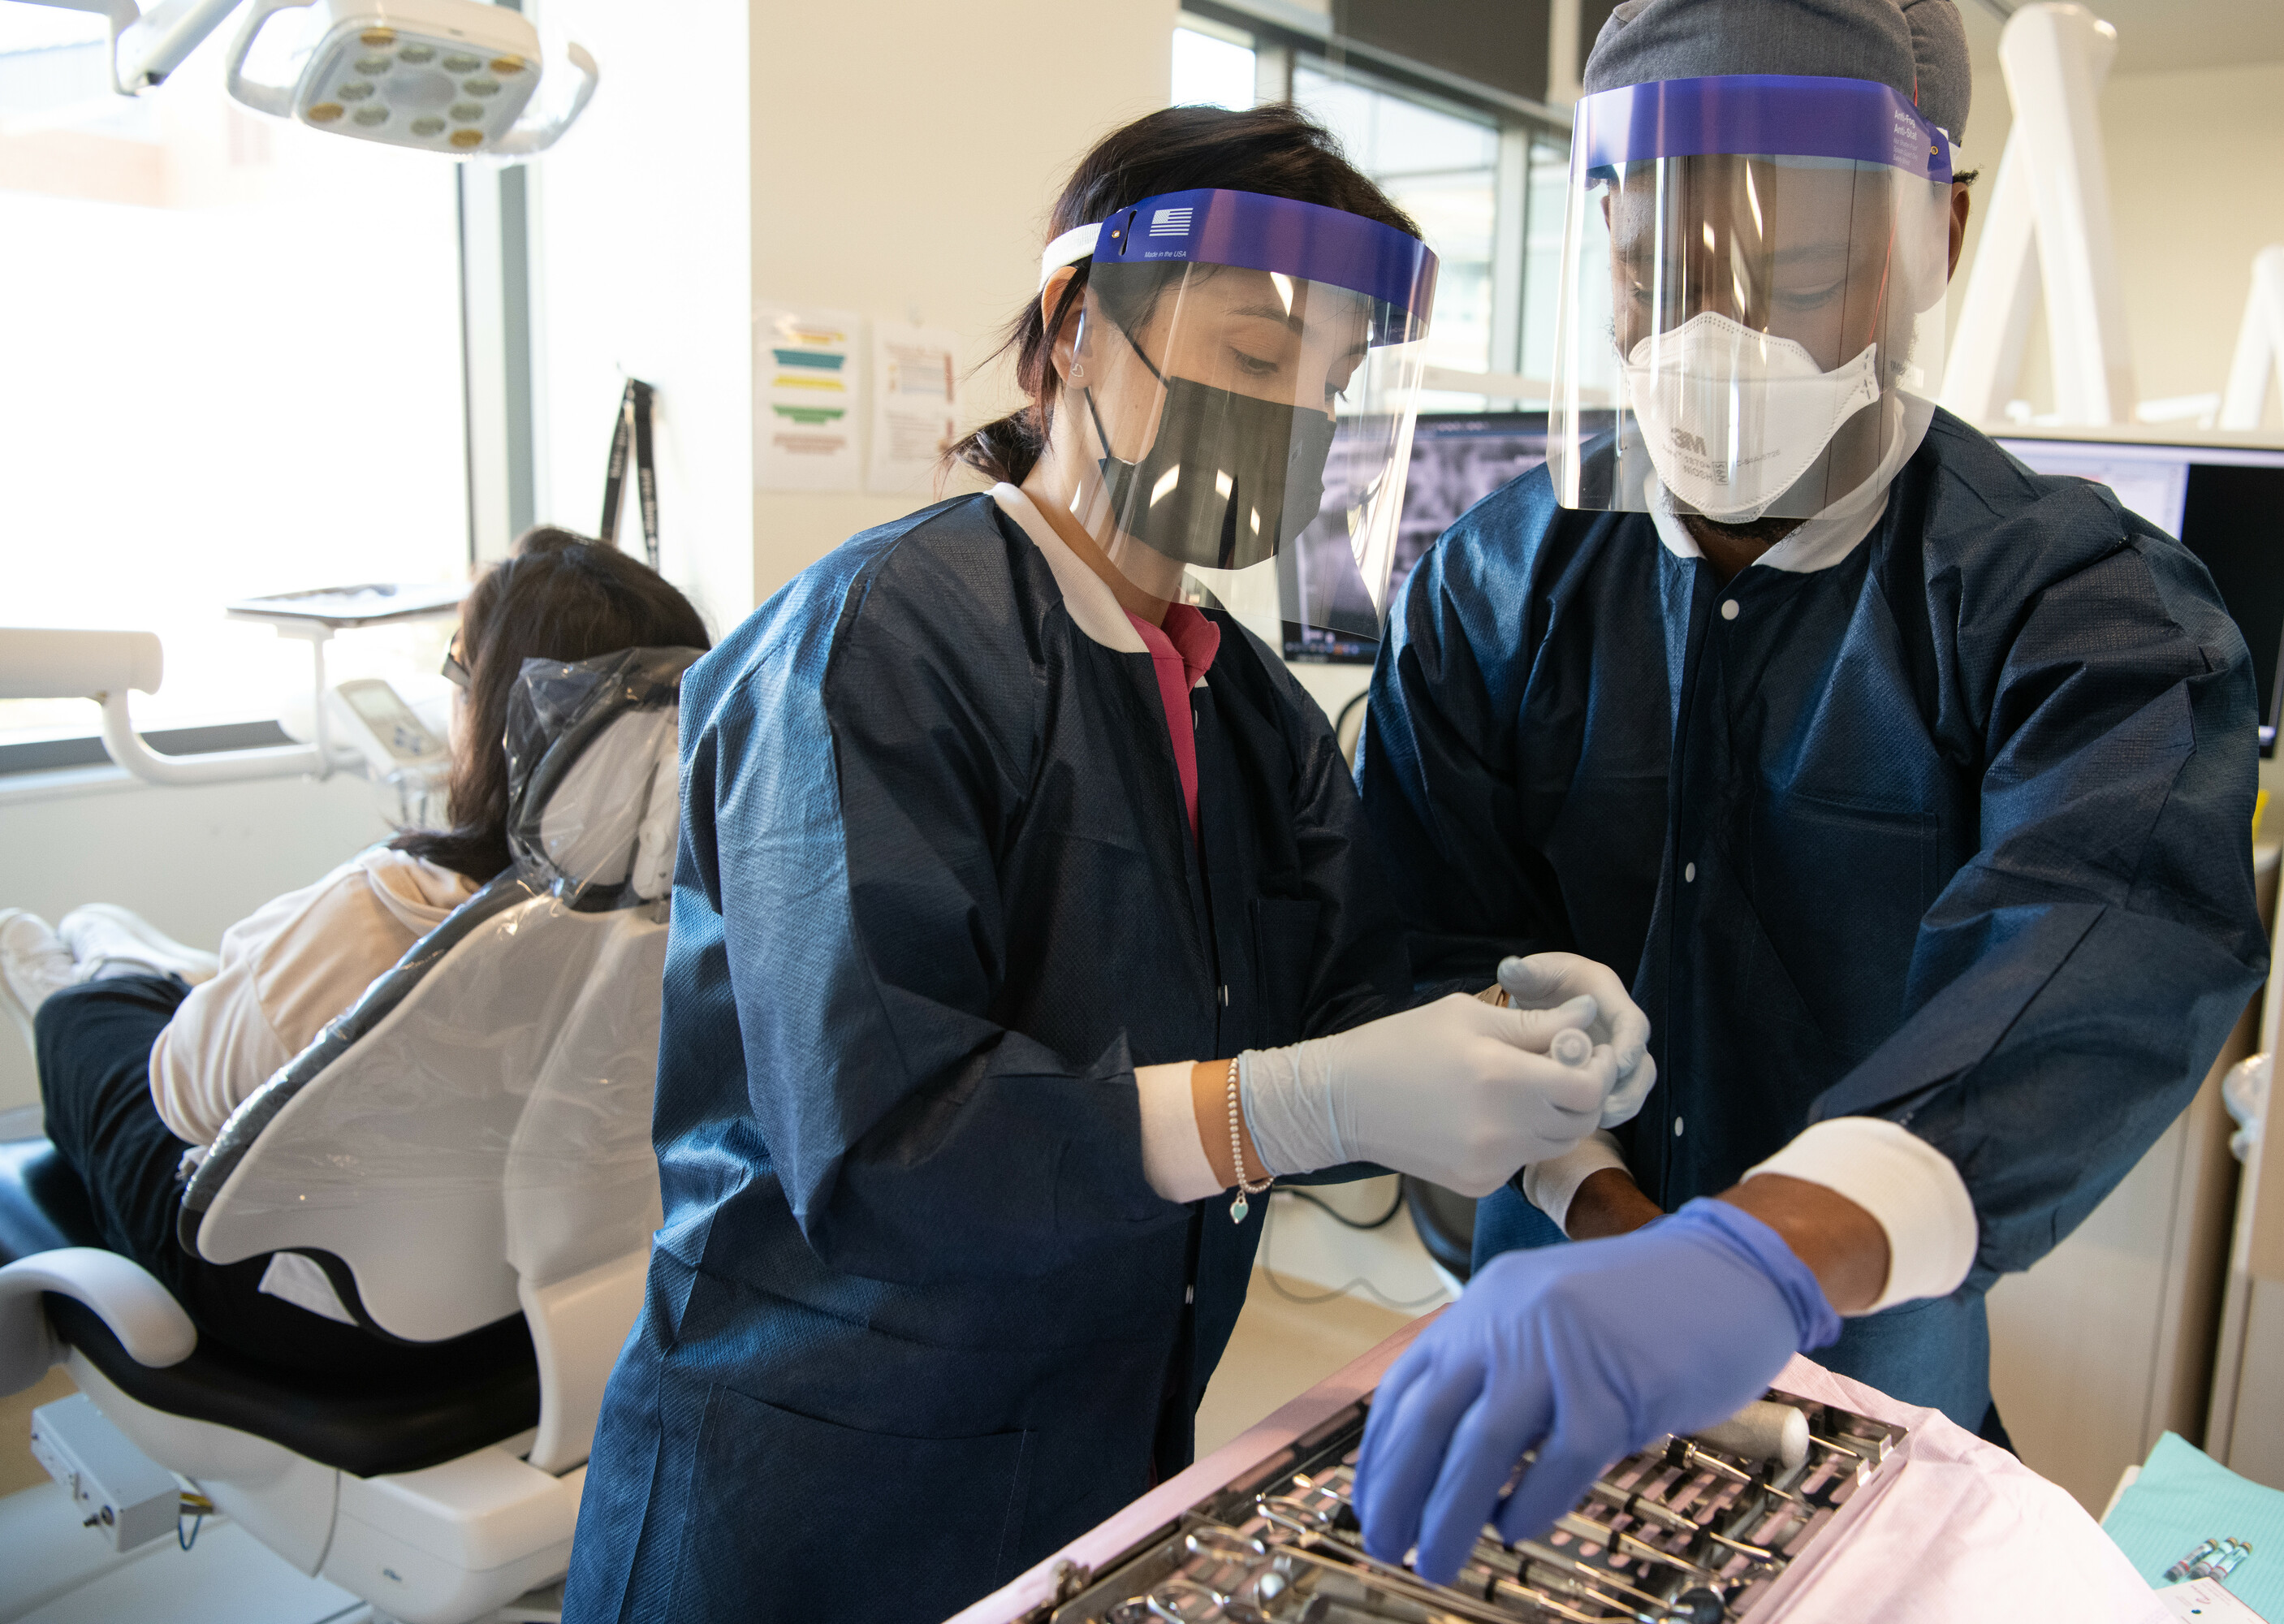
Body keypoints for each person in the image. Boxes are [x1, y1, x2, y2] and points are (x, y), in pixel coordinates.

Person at [563, 105, 1647, 1624]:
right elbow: (886, 1153)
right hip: (814, 1486)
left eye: (1330, 385)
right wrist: (1294, 1100)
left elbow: (1342, 1028)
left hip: (1099, 1456)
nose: (1295, 418)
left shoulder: (1248, 709)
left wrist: (1509, 1049)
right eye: (1255, 361)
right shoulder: (872, 648)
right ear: (1074, 334)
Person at [1350, 0, 2271, 1583]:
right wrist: (1601, 1208)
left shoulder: (2074, 603)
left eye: (1788, 275)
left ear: (1940, 235)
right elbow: (1440, 937)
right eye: (1655, 273)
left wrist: (1755, 1257)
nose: (1714, 335)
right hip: (1537, 1294)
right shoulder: (1496, 580)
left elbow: (2092, 958)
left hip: (1857, 1330)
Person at [0, 527, 710, 1375]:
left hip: (317, 1324)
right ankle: (138, 961)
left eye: (461, 676)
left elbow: (186, 1101)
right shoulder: (694, 921)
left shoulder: (382, 915)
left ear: (499, 714)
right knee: (194, 992)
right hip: (543, 1312)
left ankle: (81, 974)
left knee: (92, 1022)